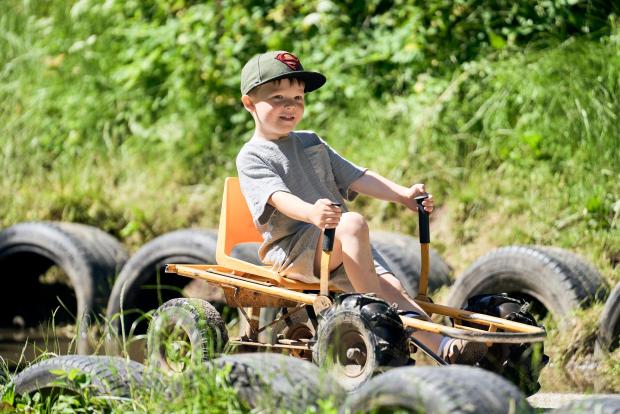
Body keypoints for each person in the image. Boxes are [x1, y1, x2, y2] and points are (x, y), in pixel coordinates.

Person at [235, 50, 486, 364]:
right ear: (249, 103)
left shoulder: (310, 141)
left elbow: (356, 176)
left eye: (298, 98)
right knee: (353, 224)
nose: (290, 106)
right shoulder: (252, 155)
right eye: (277, 98)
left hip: (334, 239)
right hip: (294, 249)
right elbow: (276, 196)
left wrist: (402, 195)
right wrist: (311, 212)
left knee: (393, 287)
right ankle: (372, 321)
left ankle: (446, 348)